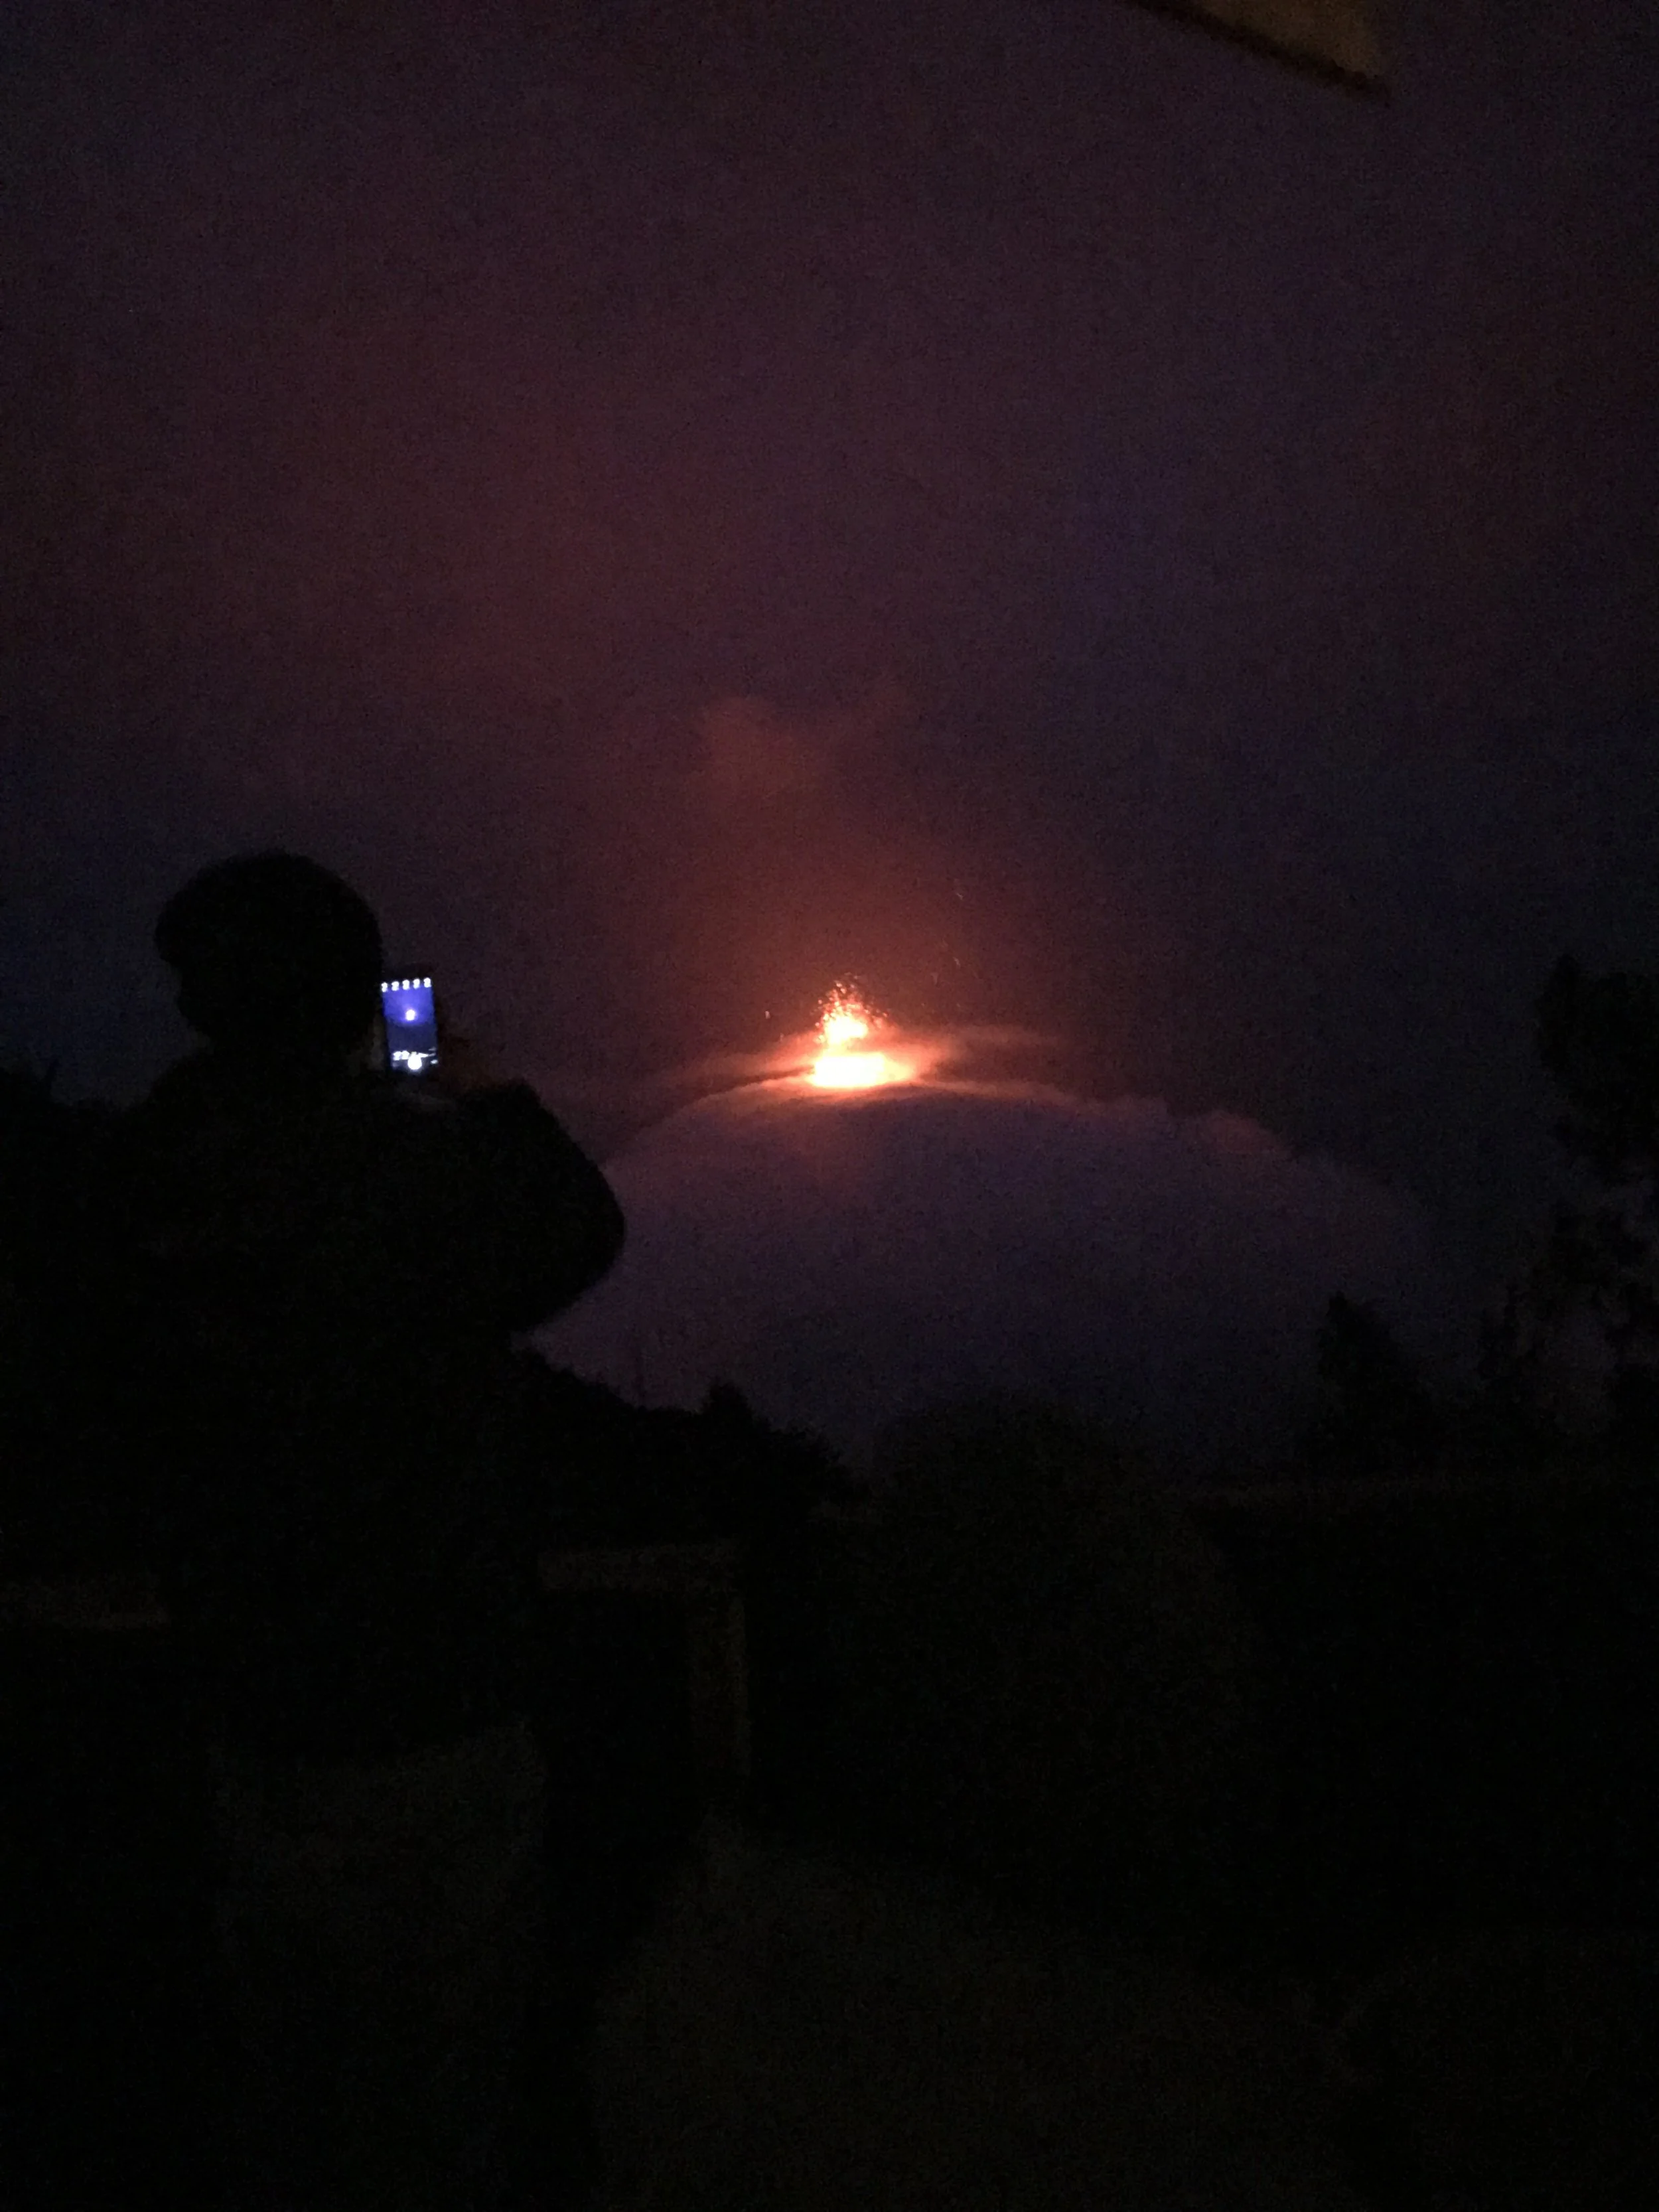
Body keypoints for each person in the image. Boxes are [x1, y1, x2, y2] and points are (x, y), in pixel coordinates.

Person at [110, 852, 624, 2212]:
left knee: (289, 2089)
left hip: (247, 1713)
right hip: (437, 1714)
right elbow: (578, 1231)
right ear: (354, 998)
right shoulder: (411, 1176)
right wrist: (483, 1098)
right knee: (446, 2095)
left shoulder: (159, 1173)